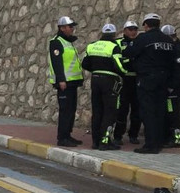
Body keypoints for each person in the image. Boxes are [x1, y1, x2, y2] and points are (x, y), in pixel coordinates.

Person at [123, 13, 174, 154]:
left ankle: (150, 145)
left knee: (148, 112)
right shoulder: (167, 40)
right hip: (164, 80)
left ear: (146, 25)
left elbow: (128, 52)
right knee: (160, 111)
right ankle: (158, 143)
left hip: (147, 80)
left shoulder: (144, 38)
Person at [82, 24, 126, 150]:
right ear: (114, 34)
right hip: (110, 80)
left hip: (95, 79)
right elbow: (119, 65)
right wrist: (124, 73)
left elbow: (85, 63)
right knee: (110, 111)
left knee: (97, 111)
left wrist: (96, 69)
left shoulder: (92, 45)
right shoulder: (114, 47)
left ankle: (95, 142)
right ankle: (105, 141)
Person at [47, 16, 84, 147]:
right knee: (65, 110)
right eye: (70, 26)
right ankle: (62, 138)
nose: (72, 28)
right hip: (65, 83)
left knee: (71, 109)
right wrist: (61, 80)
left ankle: (68, 134)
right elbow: (57, 63)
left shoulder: (68, 42)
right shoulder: (56, 42)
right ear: (62, 28)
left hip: (72, 82)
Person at [113, 21, 141, 145]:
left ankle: (133, 135)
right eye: (130, 29)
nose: (133, 32)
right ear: (124, 30)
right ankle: (118, 136)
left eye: (135, 29)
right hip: (123, 80)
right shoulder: (118, 43)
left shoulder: (140, 42)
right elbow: (117, 59)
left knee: (137, 110)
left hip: (137, 80)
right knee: (122, 110)